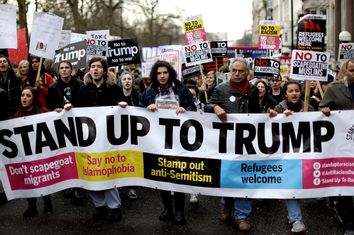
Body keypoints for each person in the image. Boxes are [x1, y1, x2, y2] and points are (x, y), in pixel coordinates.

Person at [204, 58, 260, 231]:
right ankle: (227, 204)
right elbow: (206, 106)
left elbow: (257, 112)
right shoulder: (220, 89)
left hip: (246, 142)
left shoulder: (252, 90)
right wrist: (214, 107)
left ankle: (241, 215)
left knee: (244, 176)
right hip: (226, 141)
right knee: (227, 176)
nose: (237, 74)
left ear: (247, 73)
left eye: (241, 71)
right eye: (234, 70)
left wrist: (269, 115)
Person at [139, 60, 196, 225]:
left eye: (165, 73)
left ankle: (179, 210)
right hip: (158, 140)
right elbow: (139, 109)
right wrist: (146, 108)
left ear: (170, 73)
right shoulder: (149, 91)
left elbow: (193, 108)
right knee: (162, 173)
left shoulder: (181, 89)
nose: (162, 76)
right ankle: (167, 208)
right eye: (158, 73)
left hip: (179, 139)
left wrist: (185, 110)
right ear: (154, 75)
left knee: (178, 174)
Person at [77, 57, 125, 222]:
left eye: (99, 67)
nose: (95, 69)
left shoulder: (115, 89)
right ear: (89, 70)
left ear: (104, 70)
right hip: (88, 138)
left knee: (107, 170)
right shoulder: (82, 89)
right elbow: (76, 111)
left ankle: (114, 206)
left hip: (107, 138)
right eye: (92, 67)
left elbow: (126, 110)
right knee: (91, 171)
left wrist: (124, 107)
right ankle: (100, 205)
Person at [269, 80, 311, 233]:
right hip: (286, 154)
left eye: (297, 90)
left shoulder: (309, 107)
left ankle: (293, 214)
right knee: (291, 185)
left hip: (305, 153)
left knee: (300, 185)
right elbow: (271, 128)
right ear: (285, 94)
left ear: (301, 92)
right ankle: (296, 219)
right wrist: (281, 117)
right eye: (290, 91)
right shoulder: (280, 108)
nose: (294, 93)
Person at [319, 59, 354, 235]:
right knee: (346, 184)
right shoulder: (334, 88)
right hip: (343, 146)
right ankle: (348, 223)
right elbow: (322, 106)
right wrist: (324, 109)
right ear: (345, 71)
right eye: (353, 70)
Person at [47, 60, 84, 205]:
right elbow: (50, 106)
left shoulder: (80, 85)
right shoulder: (53, 87)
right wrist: (55, 110)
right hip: (62, 126)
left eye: (66, 68)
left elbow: (85, 104)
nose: (64, 70)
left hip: (78, 125)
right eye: (61, 68)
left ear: (71, 70)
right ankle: (68, 184)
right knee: (65, 156)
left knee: (78, 154)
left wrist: (74, 108)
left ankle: (78, 186)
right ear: (58, 71)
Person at [13, 86, 53, 217]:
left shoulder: (43, 112)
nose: (24, 98)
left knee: (43, 177)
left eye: (28, 96)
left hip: (41, 154)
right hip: (25, 155)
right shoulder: (17, 114)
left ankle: (48, 203)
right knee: (28, 180)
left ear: (34, 98)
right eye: (23, 95)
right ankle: (32, 206)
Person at [118, 71, 140, 200]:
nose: (127, 81)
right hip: (119, 132)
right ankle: (121, 183)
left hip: (135, 132)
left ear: (132, 81)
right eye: (124, 79)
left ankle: (132, 187)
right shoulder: (116, 95)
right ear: (120, 82)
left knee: (133, 159)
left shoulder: (138, 95)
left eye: (129, 79)